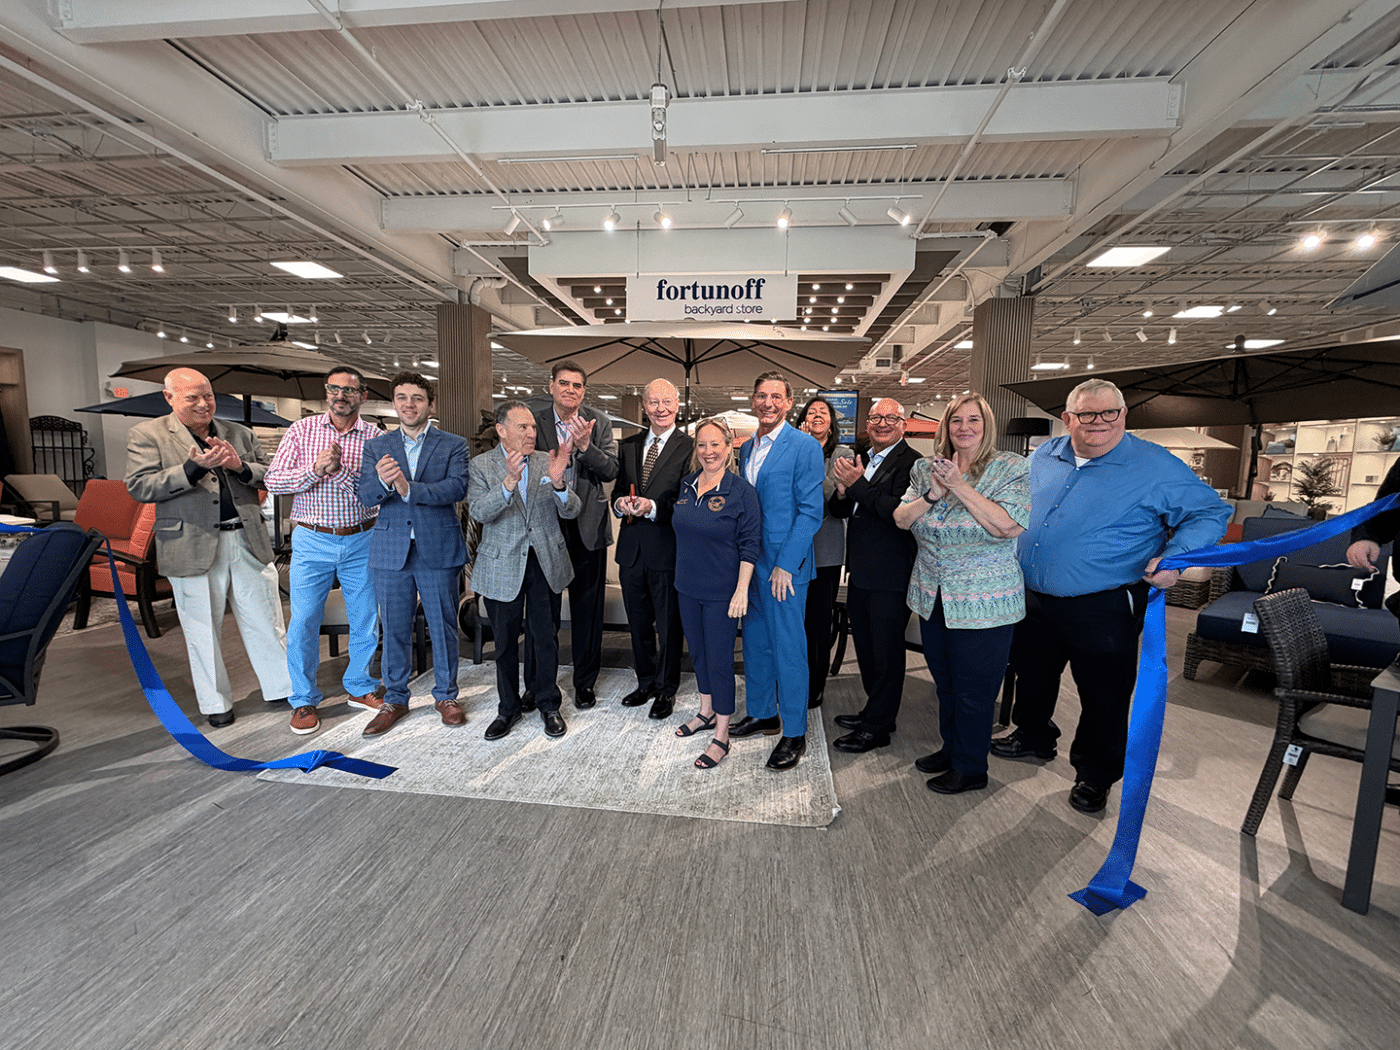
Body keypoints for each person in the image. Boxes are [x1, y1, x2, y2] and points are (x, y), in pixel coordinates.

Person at [992, 378, 1230, 813]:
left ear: (1124, 415)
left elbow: (1211, 512)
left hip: (1104, 603)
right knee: (1033, 674)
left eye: (1109, 412)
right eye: (1086, 414)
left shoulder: (1155, 465)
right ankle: (1033, 735)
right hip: (1034, 596)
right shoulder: (1044, 455)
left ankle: (1095, 774)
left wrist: (1176, 557)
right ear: (1068, 419)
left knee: (1104, 694)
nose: (1098, 422)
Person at [124, 367, 292, 727]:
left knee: (266, 618)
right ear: (169, 398)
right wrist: (191, 469)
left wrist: (240, 466)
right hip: (190, 543)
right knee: (201, 628)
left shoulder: (239, 433)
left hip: (247, 538)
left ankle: (283, 687)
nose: (203, 403)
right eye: (193, 397)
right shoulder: (148, 434)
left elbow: (273, 474)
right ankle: (216, 703)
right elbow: (139, 486)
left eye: (208, 396)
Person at [892, 393, 1029, 794]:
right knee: (946, 682)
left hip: (985, 601)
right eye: (956, 420)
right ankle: (951, 749)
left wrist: (958, 485)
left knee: (974, 689)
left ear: (986, 426)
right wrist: (932, 494)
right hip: (933, 596)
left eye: (973, 420)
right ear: (946, 426)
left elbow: (1007, 526)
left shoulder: (1010, 467)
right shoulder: (925, 468)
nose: (964, 428)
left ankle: (971, 767)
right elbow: (901, 518)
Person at [264, 366, 383, 736]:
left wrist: (341, 471)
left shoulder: (376, 438)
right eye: (334, 389)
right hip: (312, 538)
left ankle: (360, 686)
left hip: (362, 536)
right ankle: (303, 698)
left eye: (349, 390)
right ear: (326, 392)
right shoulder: (301, 430)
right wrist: (314, 471)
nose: (341, 396)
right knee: (303, 619)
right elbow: (273, 481)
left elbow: (377, 493)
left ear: (363, 396)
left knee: (365, 616)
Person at [355, 372, 470, 737]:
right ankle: (395, 699)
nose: (409, 404)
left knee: (443, 624)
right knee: (394, 627)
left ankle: (446, 696)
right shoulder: (377, 446)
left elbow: (457, 488)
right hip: (392, 549)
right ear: (394, 403)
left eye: (417, 398)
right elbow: (365, 495)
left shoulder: (453, 444)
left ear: (430, 404)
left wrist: (409, 488)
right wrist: (383, 481)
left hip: (437, 547)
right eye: (402, 397)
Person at [468, 400, 581, 741]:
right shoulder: (481, 465)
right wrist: (508, 483)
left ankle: (548, 703)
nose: (532, 433)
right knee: (504, 642)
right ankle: (508, 708)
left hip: (545, 561)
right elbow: (479, 511)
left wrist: (559, 485)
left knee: (545, 637)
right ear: (501, 430)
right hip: (502, 564)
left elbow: (572, 510)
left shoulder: (548, 460)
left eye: (533, 427)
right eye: (523, 427)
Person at [730, 371, 825, 771]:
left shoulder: (805, 447)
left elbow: (811, 511)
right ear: (753, 400)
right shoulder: (746, 448)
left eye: (776, 397)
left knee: (788, 647)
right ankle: (763, 712)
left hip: (785, 564)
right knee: (755, 640)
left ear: (788, 402)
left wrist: (787, 563)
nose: (768, 403)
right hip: (751, 561)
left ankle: (795, 731)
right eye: (761, 395)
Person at [829, 398, 921, 753]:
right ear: (866, 424)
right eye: (875, 418)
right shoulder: (863, 459)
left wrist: (856, 484)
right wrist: (843, 490)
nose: (882, 423)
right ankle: (875, 710)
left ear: (903, 424)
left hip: (891, 573)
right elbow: (841, 510)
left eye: (890, 418)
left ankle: (877, 727)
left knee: (886, 653)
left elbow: (897, 512)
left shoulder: (913, 464)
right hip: (860, 572)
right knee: (866, 648)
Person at [672, 418, 762, 768]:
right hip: (686, 587)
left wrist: (741, 590)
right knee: (697, 652)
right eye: (702, 445)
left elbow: (750, 545)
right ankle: (706, 711)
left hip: (722, 592)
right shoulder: (687, 484)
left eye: (715, 445)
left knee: (720, 659)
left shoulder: (742, 492)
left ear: (728, 447)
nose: (708, 452)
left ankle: (722, 734)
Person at [530, 361, 619, 710]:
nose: (571, 390)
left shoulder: (599, 422)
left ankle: (585, 683)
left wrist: (586, 447)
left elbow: (610, 469)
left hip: (587, 527)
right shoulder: (534, 421)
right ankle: (540, 683)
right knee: (544, 613)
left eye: (577, 385)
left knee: (587, 613)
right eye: (564, 383)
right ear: (551, 386)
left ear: (584, 391)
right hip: (546, 526)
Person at [612, 378, 694, 720]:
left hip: (667, 549)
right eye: (654, 402)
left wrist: (654, 507)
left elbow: (688, 502)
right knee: (639, 624)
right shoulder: (628, 446)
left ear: (677, 406)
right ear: (644, 406)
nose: (661, 409)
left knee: (668, 625)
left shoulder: (689, 447)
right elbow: (617, 490)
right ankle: (645, 682)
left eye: (667, 402)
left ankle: (666, 688)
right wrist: (620, 504)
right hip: (631, 550)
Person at [796, 396, 852, 708]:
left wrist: (810, 454)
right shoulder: (791, 450)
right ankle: (792, 678)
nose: (817, 415)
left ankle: (814, 686)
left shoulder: (843, 454)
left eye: (823, 412)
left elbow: (832, 501)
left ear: (831, 423)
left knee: (817, 624)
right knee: (794, 620)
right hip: (793, 548)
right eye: (811, 411)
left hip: (826, 551)